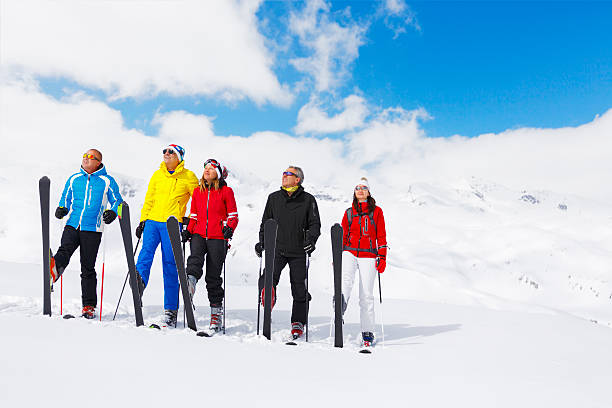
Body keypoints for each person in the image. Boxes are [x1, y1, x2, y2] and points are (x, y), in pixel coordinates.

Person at [50, 149, 123, 319]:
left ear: (98, 162)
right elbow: (65, 197)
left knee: (87, 267)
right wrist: (62, 208)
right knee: (64, 250)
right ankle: (53, 271)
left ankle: (89, 306)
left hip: (92, 228)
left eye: (90, 157)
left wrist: (113, 212)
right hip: (73, 223)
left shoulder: (107, 181)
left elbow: (118, 202)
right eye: (84, 156)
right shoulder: (74, 179)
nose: (86, 159)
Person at [134, 144, 198, 327]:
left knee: (170, 265)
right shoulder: (157, 175)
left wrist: (189, 221)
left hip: (172, 223)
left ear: (179, 157)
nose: (166, 154)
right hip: (153, 222)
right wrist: (143, 220)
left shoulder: (189, 176)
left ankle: (171, 310)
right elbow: (149, 199)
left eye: (171, 152)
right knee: (145, 255)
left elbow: (199, 199)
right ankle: (139, 284)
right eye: (165, 151)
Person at [255, 166, 321, 340]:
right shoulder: (274, 198)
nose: (284, 176)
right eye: (283, 173)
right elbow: (265, 223)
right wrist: (262, 242)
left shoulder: (308, 200)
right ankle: (268, 293)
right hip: (276, 248)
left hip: (299, 251)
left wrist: (311, 241)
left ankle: (298, 323)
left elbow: (315, 225)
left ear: (297, 179)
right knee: (267, 278)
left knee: (299, 288)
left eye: (288, 174)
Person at [182, 159, 238, 333]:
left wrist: (229, 228)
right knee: (194, 261)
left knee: (213, 277)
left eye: (211, 168)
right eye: (205, 168)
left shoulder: (226, 191)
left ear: (219, 173)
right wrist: (189, 231)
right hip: (199, 234)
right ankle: (189, 285)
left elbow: (233, 215)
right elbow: (194, 215)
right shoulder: (198, 191)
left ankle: (215, 313)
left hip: (217, 237)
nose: (207, 170)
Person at [340, 177, 387, 350]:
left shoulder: (377, 212)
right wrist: (338, 256)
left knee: (366, 294)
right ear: (354, 191)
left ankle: (368, 331)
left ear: (368, 191)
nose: (360, 190)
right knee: (345, 281)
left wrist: (382, 257)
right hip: (349, 251)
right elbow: (342, 235)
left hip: (368, 254)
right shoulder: (349, 212)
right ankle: (340, 305)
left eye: (363, 188)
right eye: (357, 188)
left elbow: (381, 236)